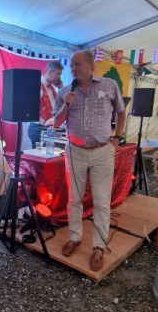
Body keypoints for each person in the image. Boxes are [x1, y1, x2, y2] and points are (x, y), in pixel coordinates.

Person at [52, 50, 126, 271]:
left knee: (102, 201)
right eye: (71, 65)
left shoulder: (109, 85)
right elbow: (56, 123)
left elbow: (121, 112)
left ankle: (98, 247)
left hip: (103, 150)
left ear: (90, 65)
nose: (73, 68)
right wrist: (66, 105)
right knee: (74, 199)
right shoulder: (65, 91)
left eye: (77, 64)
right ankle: (75, 238)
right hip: (75, 150)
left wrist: (117, 138)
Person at [28, 61, 64, 148]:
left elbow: (59, 106)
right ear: (50, 72)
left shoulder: (52, 88)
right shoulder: (36, 84)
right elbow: (30, 109)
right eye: (58, 74)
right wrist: (43, 122)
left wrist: (61, 88)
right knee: (39, 158)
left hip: (48, 128)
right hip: (38, 127)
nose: (59, 78)